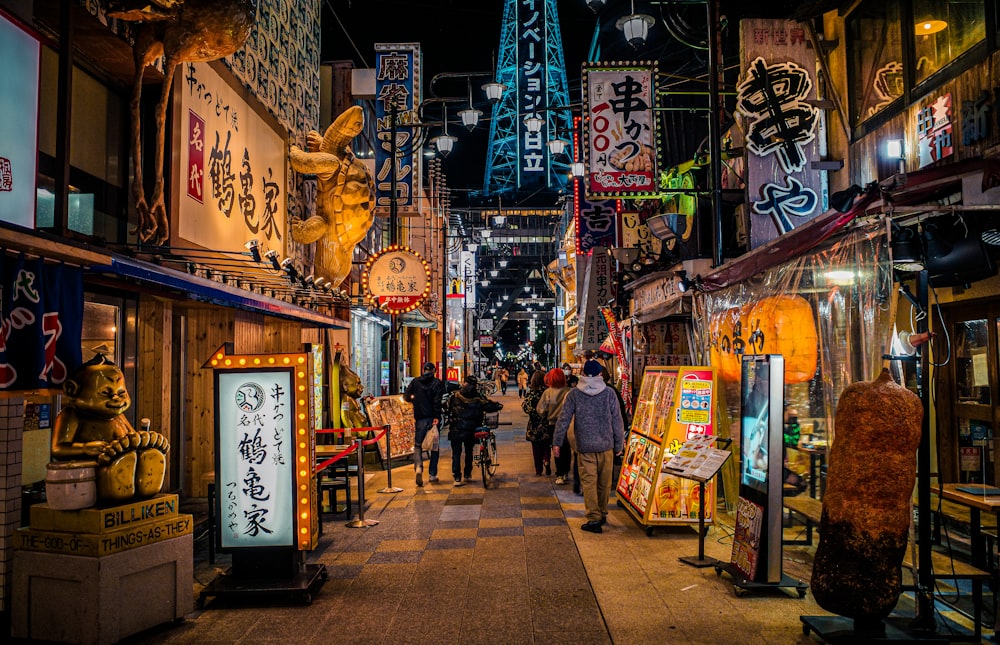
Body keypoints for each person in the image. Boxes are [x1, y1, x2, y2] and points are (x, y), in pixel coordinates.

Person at [553, 359, 624, 533]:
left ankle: (594, 518)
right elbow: (617, 421)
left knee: (589, 482)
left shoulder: (574, 394)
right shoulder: (609, 393)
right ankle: (602, 512)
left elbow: (564, 419)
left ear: (583, 374)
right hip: (606, 445)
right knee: (604, 483)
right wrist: (619, 444)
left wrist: (557, 442)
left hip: (584, 446)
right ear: (601, 374)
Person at [447, 375, 502, 486]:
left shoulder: (455, 396)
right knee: (469, 451)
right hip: (471, 429)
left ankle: (457, 477)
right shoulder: (478, 397)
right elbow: (488, 405)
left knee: (456, 453)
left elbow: (447, 408)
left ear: (464, 383)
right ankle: (467, 473)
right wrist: (498, 406)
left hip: (456, 429)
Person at [403, 362, 445, 486]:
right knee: (435, 447)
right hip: (432, 418)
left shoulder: (416, 382)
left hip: (420, 418)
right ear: (433, 371)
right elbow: (437, 401)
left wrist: (415, 400)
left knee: (418, 445)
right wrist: (437, 417)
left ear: (423, 370)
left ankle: (419, 468)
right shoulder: (437, 383)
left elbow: (406, 397)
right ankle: (432, 475)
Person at [536, 368, 571, 483]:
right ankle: (565, 471)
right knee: (567, 448)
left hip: (554, 424)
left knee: (557, 448)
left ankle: (560, 474)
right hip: (568, 425)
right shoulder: (569, 391)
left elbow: (541, 410)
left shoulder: (548, 392)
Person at [523, 371, 550, 476]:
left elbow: (526, 407)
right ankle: (547, 460)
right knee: (546, 444)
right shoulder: (547, 392)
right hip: (546, 422)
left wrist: (533, 412)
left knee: (536, 447)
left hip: (534, 423)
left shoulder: (531, 393)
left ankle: (538, 469)